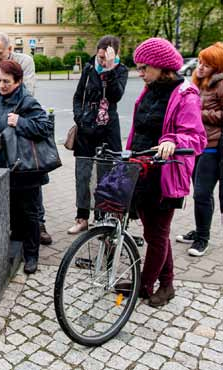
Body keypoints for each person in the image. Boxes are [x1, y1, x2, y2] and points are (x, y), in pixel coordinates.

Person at [126, 37, 206, 306]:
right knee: (153, 232)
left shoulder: (186, 94)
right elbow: (139, 128)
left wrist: (173, 140)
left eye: (143, 67)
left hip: (166, 173)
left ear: (161, 67)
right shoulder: (149, 90)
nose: (140, 73)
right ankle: (167, 283)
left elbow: (196, 138)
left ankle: (147, 284)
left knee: (157, 234)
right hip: (142, 169)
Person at [0, 32, 51, 245]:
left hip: (24, 150)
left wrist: (13, 116)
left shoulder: (25, 66)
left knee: (31, 202)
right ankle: (17, 240)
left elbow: (30, 101)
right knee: (13, 202)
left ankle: (35, 239)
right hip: (1, 150)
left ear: (9, 50)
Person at [0, 60, 53, 274]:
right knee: (13, 211)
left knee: (30, 213)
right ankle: (16, 248)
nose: (2, 85)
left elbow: (44, 126)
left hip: (25, 169)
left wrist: (21, 122)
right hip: (4, 168)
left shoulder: (27, 102)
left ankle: (32, 255)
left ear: (18, 81)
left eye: (7, 81)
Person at [68, 35, 128, 234]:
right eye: (100, 57)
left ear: (114, 55)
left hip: (108, 129)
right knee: (83, 174)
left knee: (105, 175)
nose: (101, 61)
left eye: (105, 58)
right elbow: (78, 96)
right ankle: (82, 217)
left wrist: (109, 70)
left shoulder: (120, 70)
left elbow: (116, 96)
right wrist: (79, 117)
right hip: (86, 127)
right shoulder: (89, 68)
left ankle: (101, 217)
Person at [176, 43, 223, 256]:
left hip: (213, 147)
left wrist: (200, 113)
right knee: (200, 194)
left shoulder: (220, 85)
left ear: (217, 65)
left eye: (207, 64)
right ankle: (199, 230)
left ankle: (203, 238)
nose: (200, 66)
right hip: (198, 146)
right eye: (200, 62)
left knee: (203, 193)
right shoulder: (198, 82)